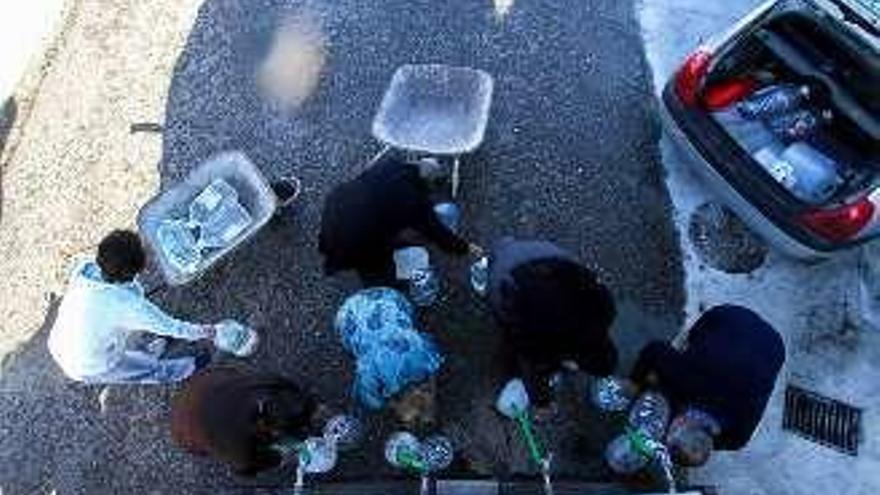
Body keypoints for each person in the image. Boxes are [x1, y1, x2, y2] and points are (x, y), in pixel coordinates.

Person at [48, 230, 218, 384]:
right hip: (87, 363)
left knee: (126, 346)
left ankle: (148, 352)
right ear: (130, 274)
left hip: (62, 340)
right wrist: (206, 331)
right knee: (142, 371)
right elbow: (172, 327)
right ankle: (187, 369)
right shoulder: (126, 306)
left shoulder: (85, 268)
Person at [631, 305, 785, 467]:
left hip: (774, 346)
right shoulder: (685, 378)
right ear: (680, 422)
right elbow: (654, 349)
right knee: (668, 373)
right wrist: (635, 383)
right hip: (729, 317)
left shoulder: (738, 436)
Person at [488, 237, 618, 415]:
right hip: (508, 275)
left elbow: (586, 277)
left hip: (542, 252)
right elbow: (531, 364)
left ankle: (506, 248)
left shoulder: (606, 309)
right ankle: (508, 366)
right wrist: (542, 403)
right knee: (514, 340)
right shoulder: (551, 342)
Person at [319, 155, 475, 285]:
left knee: (378, 220)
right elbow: (438, 233)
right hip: (353, 242)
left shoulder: (390, 163)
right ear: (429, 184)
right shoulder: (414, 200)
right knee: (375, 263)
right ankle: (380, 285)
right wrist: (465, 248)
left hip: (334, 209)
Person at [170, 365, 319, 476]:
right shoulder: (237, 446)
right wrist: (279, 457)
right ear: (266, 428)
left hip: (201, 384)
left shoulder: (267, 382)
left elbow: (291, 388)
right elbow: (245, 469)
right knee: (235, 459)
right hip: (185, 427)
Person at [335, 287, 442, 427]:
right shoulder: (370, 374)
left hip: (385, 298)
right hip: (354, 314)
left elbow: (431, 358)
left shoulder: (419, 355)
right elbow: (368, 396)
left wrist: (430, 392)